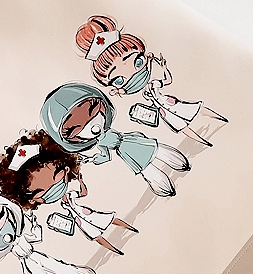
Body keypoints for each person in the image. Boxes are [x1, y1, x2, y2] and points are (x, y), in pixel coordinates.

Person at [75, 14, 227, 145]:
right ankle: (203, 141)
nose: (132, 74)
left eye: (137, 62)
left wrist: (164, 67)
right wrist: (120, 90)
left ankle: (220, 119)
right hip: (162, 111)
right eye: (119, 79)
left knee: (194, 109)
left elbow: (167, 81)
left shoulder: (153, 84)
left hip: (169, 102)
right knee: (180, 126)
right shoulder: (141, 89)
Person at [0, 130, 137, 255]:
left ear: (66, 168)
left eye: (56, 175)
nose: (53, 186)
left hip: (85, 213)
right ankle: (115, 250)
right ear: (30, 200)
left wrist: (80, 181)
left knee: (108, 219)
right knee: (96, 236)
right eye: (40, 190)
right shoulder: (40, 214)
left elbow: (83, 193)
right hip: (78, 222)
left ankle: (131, 228)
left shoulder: (69, 195)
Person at [40, 82, 190, 197]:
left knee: (158, 149)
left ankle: (181, 164)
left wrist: (136, 134)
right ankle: (166, 188)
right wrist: (92, 159)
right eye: (78, 128)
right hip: (126, 151)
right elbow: (105, 156)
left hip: (131, 141)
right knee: (147, 169)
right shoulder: (100, 143)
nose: (92, 126)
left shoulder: (107, 132)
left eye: (93, 112)